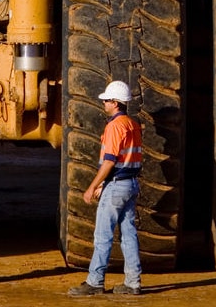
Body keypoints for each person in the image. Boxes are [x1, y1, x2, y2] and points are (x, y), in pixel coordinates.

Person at [68, 80, 143, 296]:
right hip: (131, 184)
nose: (104, 104)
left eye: (107, 100)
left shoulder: (114, 126)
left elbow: (109, 161)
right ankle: (133, 283)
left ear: (116, 103)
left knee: (103, 236)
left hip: (116, 186)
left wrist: (93, 187)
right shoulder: (133, 124)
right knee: (129, 235)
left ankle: (95, 282)